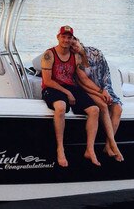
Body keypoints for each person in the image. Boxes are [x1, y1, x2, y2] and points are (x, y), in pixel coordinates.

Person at [40, 25, 101, 168]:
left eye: (69, 37)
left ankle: (89, 149)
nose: (66, 40)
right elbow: (47, 80)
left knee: (95, 110)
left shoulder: (76, 56)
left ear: (72, 39)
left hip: (70, 87)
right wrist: (67, 93)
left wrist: (100, 91)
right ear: (58, 37)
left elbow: (83, 78)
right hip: (52, 87)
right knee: (60, 107)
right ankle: (60, 148)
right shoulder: (49, 54)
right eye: (63, 36)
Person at [71, 37, 124, 162]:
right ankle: (114, 144)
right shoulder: (75, 59)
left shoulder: (96, 53)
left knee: (118, 109)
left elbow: (106, 73)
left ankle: (107, 146)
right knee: (103, 106)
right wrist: (100, 93)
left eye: (74, 44)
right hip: (89, 91)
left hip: (104, 87)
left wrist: (105, 90)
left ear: (78, 40)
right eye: (71, 47)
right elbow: (83, 82)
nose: (74, 47)